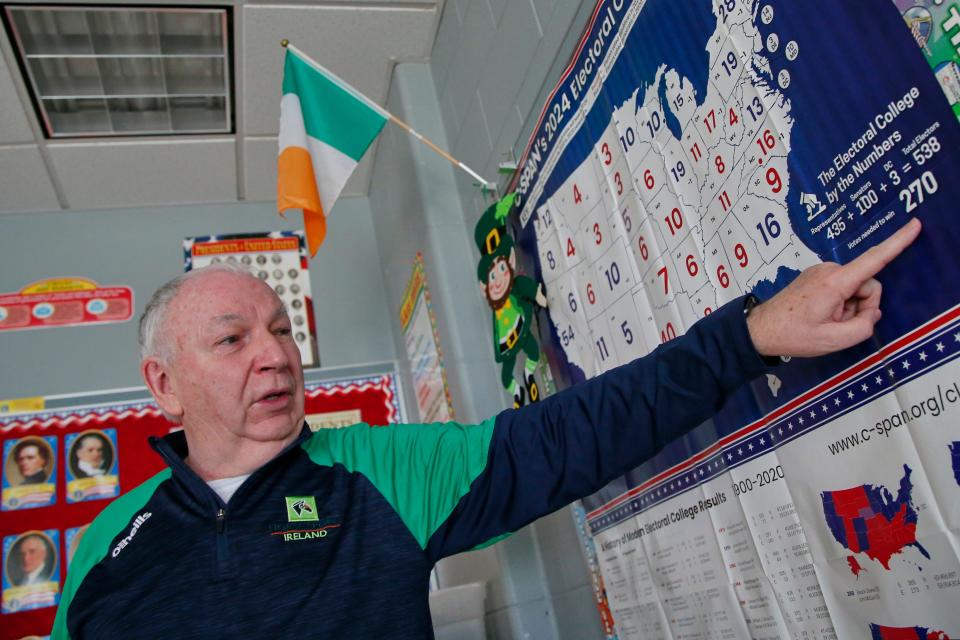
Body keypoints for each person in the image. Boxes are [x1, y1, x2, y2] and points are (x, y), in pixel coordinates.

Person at [52, 219, 921, 639]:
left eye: (282, 330)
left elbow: (577, 434)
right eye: (234, 340)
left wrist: (752, 334)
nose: (275, 357)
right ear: (164, 386)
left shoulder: (375, 474)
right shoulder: (103, 548)